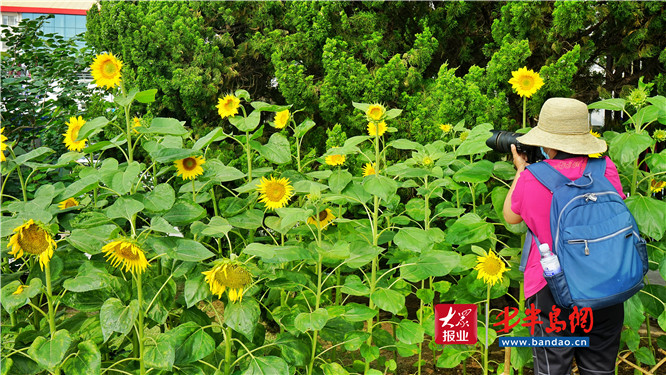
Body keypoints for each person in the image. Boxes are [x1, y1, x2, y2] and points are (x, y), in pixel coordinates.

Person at [503, 97, 625, 375]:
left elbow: (511, 217)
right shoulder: (605, 168)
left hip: (551, 287)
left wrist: (521, 171)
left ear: (546, 140)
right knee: (599, 369)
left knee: (552, 368)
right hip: (605, 285)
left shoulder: (532, 176)